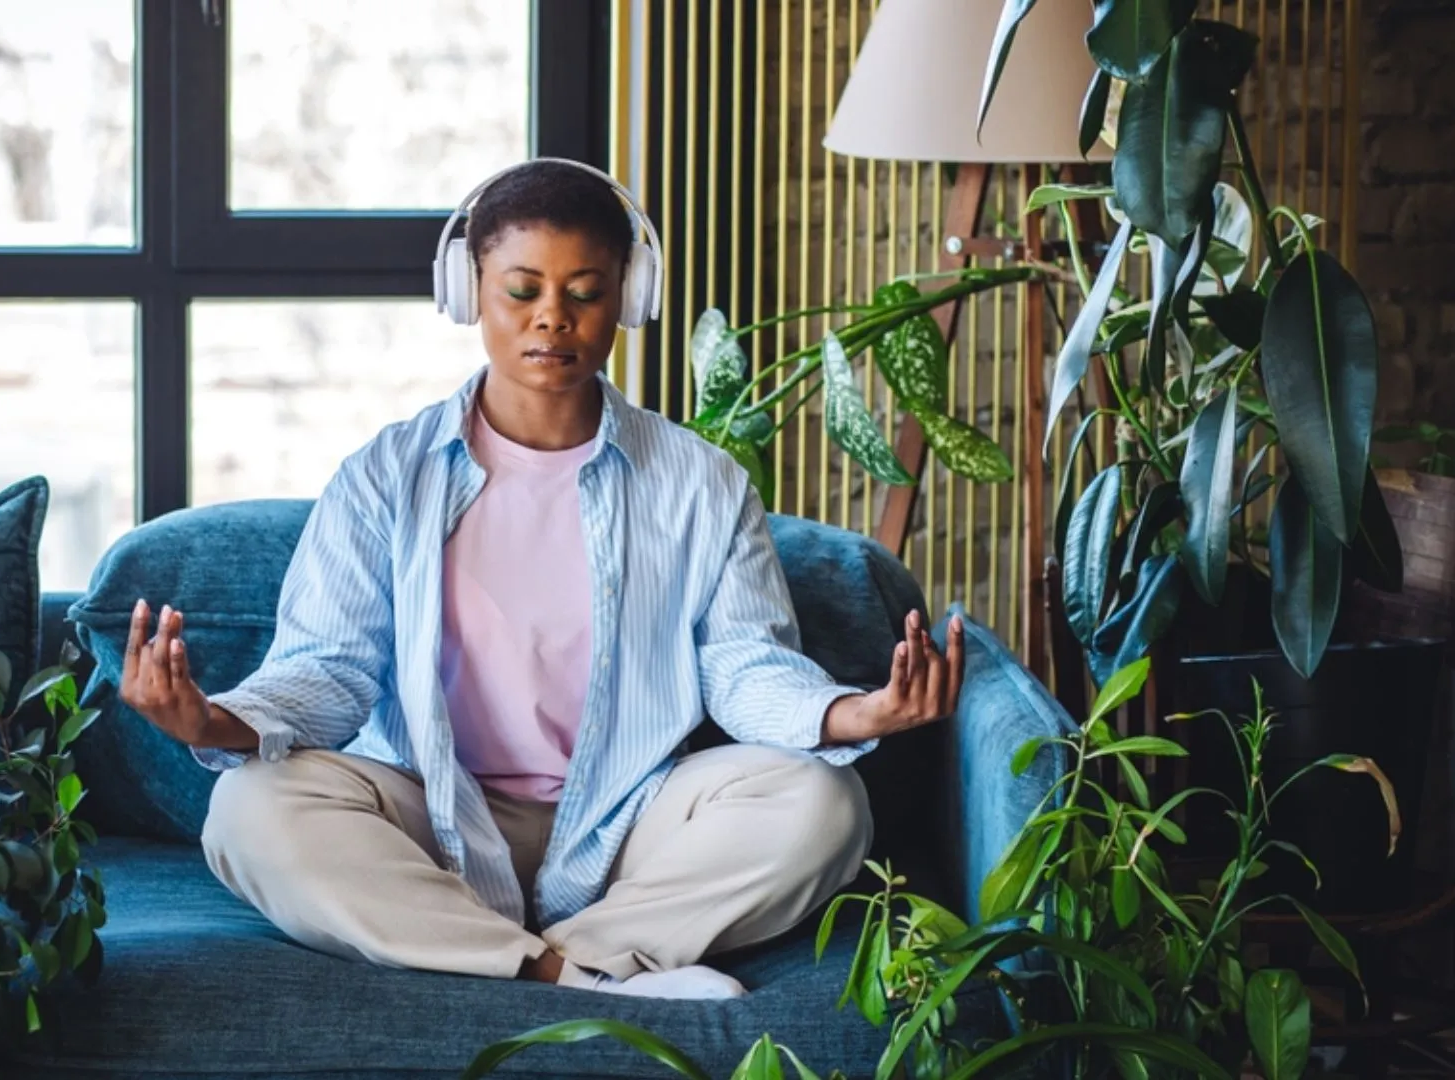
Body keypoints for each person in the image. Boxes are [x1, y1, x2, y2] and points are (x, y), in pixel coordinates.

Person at [120, 158, 965, 1001]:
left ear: (628, 297)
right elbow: (332, 670)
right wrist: (219, 721)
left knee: (826, 804)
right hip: (430, 816)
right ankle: (576, 976)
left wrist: (856, 712)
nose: (552, 320)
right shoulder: (385, 476)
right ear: (468, 291)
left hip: (629, 820)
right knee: (248, 811)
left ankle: (505, 954)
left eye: (585, 292)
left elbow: (744, 668)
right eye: (522, 291)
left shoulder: (702, 484)